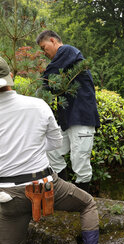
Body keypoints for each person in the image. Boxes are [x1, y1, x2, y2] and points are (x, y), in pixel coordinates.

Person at [0, 57, 116, 244]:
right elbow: (55, 144)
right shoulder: (36, 105)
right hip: (42, 185)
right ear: (11, 78)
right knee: (87, 204)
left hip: (5, 194)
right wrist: (30, 148)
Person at [36, 30, 100, 193]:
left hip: (82, 118)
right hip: (68, 120)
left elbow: (48, 78)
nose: (45, 53)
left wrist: (35, 93)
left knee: (80, 162)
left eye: (44, 47)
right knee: (52, 151)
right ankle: (65, 192)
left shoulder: (67, 51)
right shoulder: (65, 61)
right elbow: (51, 83)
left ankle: (84, 203)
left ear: (53, 40)